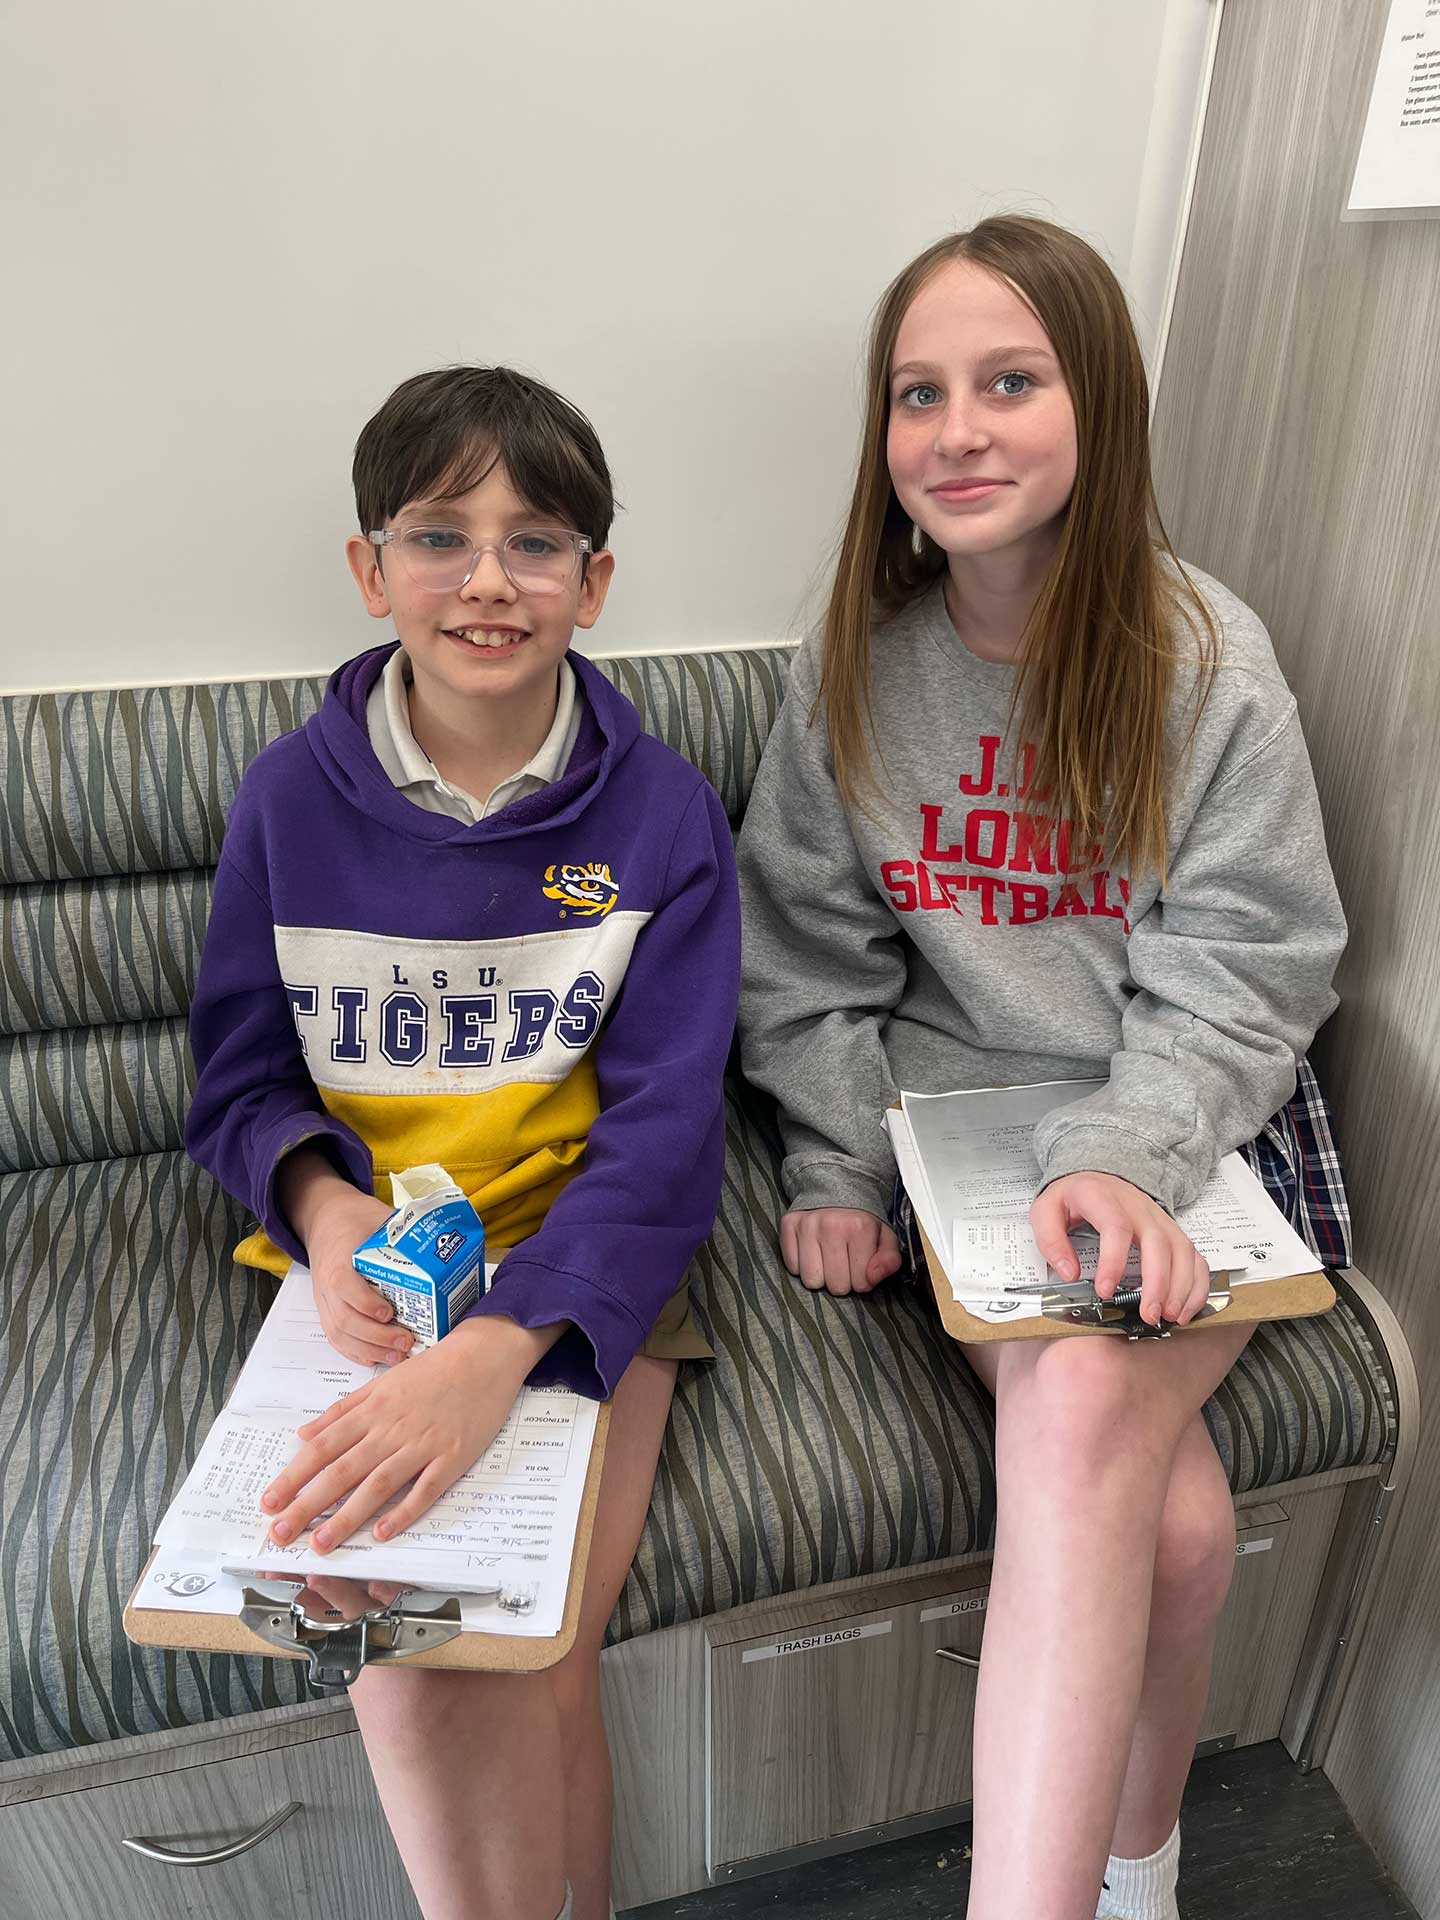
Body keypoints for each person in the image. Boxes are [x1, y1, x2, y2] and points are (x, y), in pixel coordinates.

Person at [736, 216, 1348, 1920]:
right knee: (1178, 1532)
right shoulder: (856, 665)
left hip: (1185, 1117)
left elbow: (1251, 965)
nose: (957, 431)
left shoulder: (1205, 661)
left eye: (1010, 382)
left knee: (1089, 1420)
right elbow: (801, 953)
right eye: (918, 394)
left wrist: (1124, 1152)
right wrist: (838, 1162)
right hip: (961, 1144)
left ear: (1101, 406)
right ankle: (1139, 1883)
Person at [185, 365, 740, 1920]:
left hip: (589, 1258)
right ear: (372, 569)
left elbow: (669, 1129)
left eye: (535, 541)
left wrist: (501, 1347)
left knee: (534, 1638)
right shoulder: (287, 799)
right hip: (366, 1269)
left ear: (594, 583)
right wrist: (321, 1209)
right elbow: (237, 1081)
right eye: (441, 535)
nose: (489, 579)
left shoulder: (667, 815)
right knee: (403, 1642)